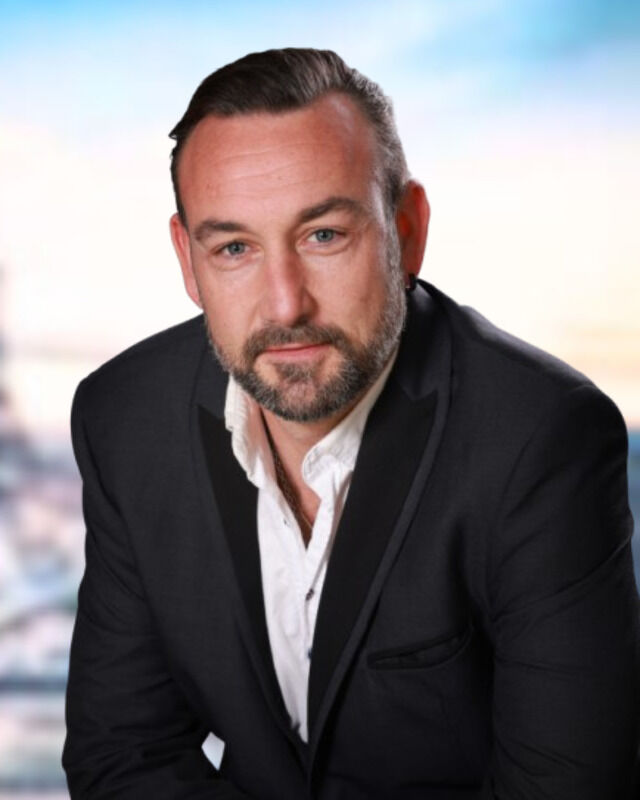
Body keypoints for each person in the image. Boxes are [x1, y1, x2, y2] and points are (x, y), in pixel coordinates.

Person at [62, 48, 640, 799]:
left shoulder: (542, 439)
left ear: (408, 230)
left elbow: (566, 789)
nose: (285, 304)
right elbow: (123, 757)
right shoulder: (124, 418)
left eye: (324, 236)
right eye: (234, 248)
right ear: (187, 258)